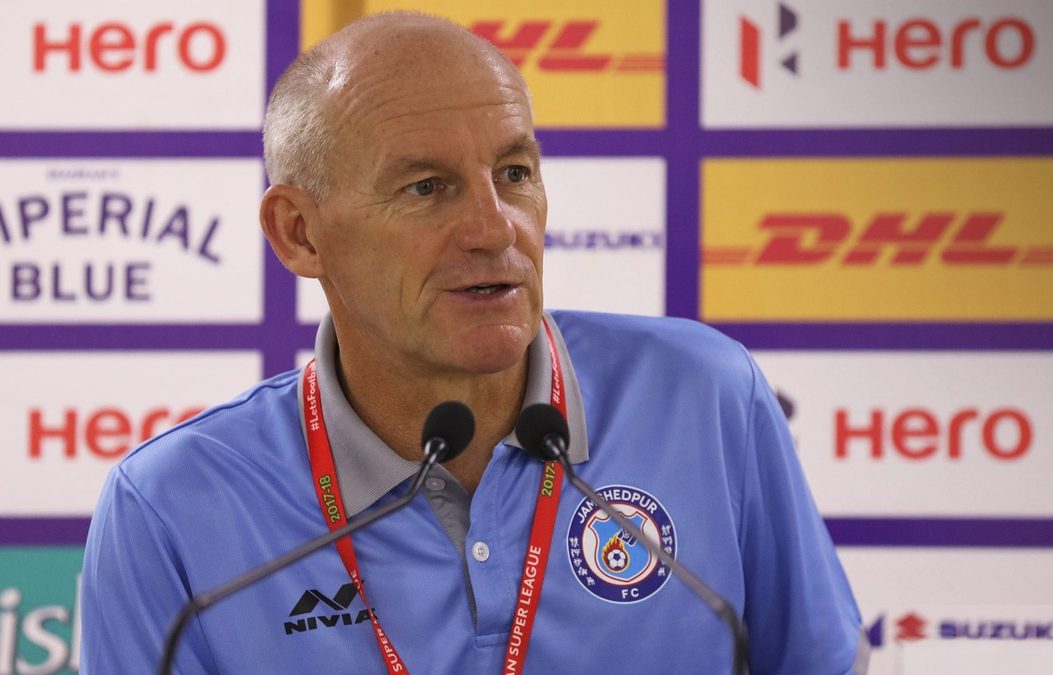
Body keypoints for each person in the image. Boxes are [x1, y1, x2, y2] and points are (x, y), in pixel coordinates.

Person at [81, 12, 866, 674]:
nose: (495, 229)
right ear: (300, 233)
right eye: (426, 187)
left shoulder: (703, 395)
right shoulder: (172, 506)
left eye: (515, 172)